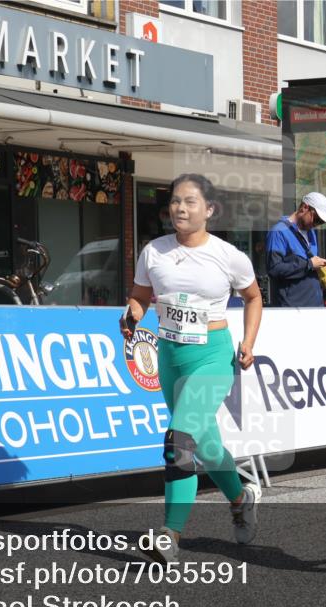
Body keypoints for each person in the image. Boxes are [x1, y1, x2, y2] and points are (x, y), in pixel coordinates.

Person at [121, 173, 263, 565]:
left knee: (178, 441)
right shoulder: (154, 251)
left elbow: (253, 298)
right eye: (174, 202)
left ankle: (170, 534)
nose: (180, 209)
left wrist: (248, 342)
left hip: (212, 357)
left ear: (209, 210)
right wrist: (132, 314)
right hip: (170, 356)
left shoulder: (228, 255)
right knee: (206, 444)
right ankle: (241, 498)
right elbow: (140, 297)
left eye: (190, 202)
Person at [266, 192, 326, 306]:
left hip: (314, 306)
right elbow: (274, 269)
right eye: (316, 219)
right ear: (304, 208)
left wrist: (319, 267)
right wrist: (309, 264)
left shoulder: (311, 232)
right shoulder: (279, 232)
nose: (317, 224)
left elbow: (308, 264)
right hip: (292, 309)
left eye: (321, 222)